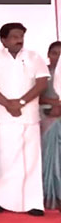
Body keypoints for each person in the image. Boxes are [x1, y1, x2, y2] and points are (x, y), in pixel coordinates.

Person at [0, 23, 49, 216]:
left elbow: (42, 83)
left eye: (21, 36)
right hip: (2, 116)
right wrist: (8, 104)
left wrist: (20, 102)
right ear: (3, 40)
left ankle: (33, 203)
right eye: (13, 36)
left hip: (28, 115)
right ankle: (0, 200)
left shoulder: (34, 57)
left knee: (30, 160)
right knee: (3, 159)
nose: (18, 39)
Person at [39, 41, 61, 211]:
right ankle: (48, 195)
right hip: (46, 119)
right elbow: (35, 96)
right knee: (48, 158)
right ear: (48, 54)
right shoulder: (42, 73)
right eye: (54, 53)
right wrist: (54, 104)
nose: (58, 57)